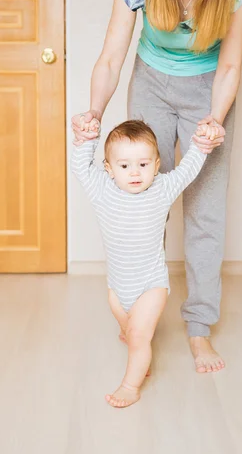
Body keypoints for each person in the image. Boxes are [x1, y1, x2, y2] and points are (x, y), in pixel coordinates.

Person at [72, 0, 242, 373]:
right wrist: (94, 110)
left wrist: (214, 120)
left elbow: (231, 67)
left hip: (209, 89)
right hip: (151, 83)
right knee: (139, 196)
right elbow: (112, 56)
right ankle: (137, 313)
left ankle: (198, 329)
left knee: (205, 212)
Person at [71, 119, 214, 407]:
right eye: (124, 166)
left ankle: (130, 385)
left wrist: (200, 145)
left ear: (157, 164)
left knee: (138, 335)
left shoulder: (161, 188)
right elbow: (80, 167)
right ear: (109, 169)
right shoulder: (102, 189)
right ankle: (138, 349)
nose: (135, 172)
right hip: (117, 286)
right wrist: (86, 140)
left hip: (151, 284)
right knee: (130, 333)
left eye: (144, 165)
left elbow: (187, 170)